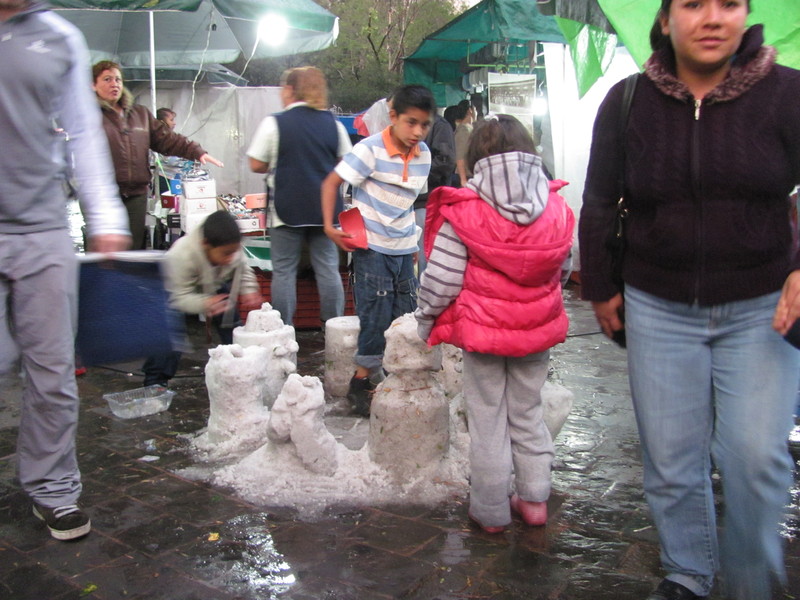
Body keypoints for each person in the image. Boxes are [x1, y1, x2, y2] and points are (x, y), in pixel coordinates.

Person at [578, 1, 800, 599]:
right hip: (658, 304)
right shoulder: (627, 101)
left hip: (762, 305)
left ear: (746, 15)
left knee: (755, 459)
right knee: (672, 460)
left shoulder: (788, 93)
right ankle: (688, 574)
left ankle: (751, 584)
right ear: (666, 18)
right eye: (694, 4)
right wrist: (600, 285)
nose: (713, 18)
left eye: (729, 3)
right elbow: (598, 199)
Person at [0, 0, 131, 541]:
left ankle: (53, 488)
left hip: (42, 229)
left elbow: (81, 132)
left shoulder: (60, 38)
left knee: (52, 372)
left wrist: (105, 216)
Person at [414, 115, 574, 534]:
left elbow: (441, 280)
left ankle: (490, 511)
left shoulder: (465, 210)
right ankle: (535, 500)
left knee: (487, 419)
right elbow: (563, 269)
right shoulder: (556, 207)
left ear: (476, 159)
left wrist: (425, 318)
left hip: (482, 336)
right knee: (528, 411)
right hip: (535, 335)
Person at [321, 84, 434, 417]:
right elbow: (331, 183)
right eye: (411, 122)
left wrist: (413, 243)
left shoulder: (424, 155)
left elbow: (407, 203)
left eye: (424, 125)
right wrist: (329, 226)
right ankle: (361, 382)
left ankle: (392, 379)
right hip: (371, 249)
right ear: (393, 116)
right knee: (376, 316)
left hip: (404, 248)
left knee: (405, 316)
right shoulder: (369, 150)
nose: (417, 132)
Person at [247, 66, 350, 328]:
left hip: (287, 207)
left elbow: (255, 163)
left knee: (284, 271)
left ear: (290, 90)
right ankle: (334, 329)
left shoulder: (275, 123)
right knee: (328, 269)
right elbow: (346, 163)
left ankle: (283, 330)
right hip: (325, 211)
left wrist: (279, 162)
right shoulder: (334, 125)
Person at [92, 61, 223, 250]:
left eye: (118, 79)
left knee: (132, 250)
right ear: (93, 85)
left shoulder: (140, 114)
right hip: (102, 196)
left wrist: (196, 151)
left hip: (136, 195)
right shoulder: (87, 116)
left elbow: (166, 139)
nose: (114, 84)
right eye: (107, 79)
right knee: (104, 252)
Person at [142, 210, 262, 387]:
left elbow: (242, 268)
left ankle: (241, 367)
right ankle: (155, 381)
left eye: (233, 252)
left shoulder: (230, 246)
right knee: (170, 334)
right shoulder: (181, 255)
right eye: (226, 253)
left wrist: (250, 290)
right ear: (205, 244)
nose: (231, 258)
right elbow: (178, 297)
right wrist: (204, 303)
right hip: (174, 292)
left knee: (231, 321)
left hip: (213, 283)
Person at [414, 111, 456, 276]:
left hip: (428, 201)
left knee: (425, 253)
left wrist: (418, 176)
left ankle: (424, 288)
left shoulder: (439, 125)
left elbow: (445, 161)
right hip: (413, 202)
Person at [453, 99, 475, 187]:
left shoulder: (469, 128)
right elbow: (460, 155)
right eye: (475, 110)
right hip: (465, 176)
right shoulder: (464, 130)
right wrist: (463, 179)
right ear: (470, 110)